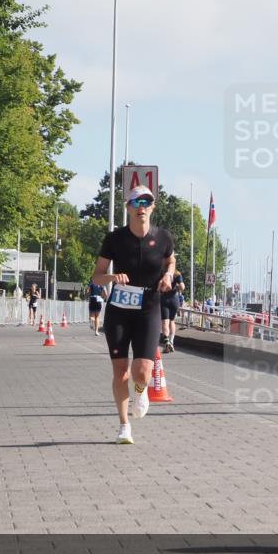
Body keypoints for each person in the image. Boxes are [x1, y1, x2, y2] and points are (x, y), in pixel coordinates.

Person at [92, 185, 176, 445]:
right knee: (121, 373)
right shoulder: (115, 239)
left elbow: (170, 260)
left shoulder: (163, 237)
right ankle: (124, 425)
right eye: (136, 202)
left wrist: (169, 274)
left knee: (142, 372)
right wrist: (111, 277)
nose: (141, 207)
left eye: (146, 202)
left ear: (152, 207)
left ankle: (142, 391)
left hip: (149, 306)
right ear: (128, 207)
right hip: (119, 308)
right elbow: (96, 275)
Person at [160, 272, 185, 352]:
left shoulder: (161, 272)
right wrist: (176, 288)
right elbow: (182, 287)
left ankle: (166, 342)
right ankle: (171, 341)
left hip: (164, 299)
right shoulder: (177, 273)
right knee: (172, 321)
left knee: (165, 321)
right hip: (174, 299)